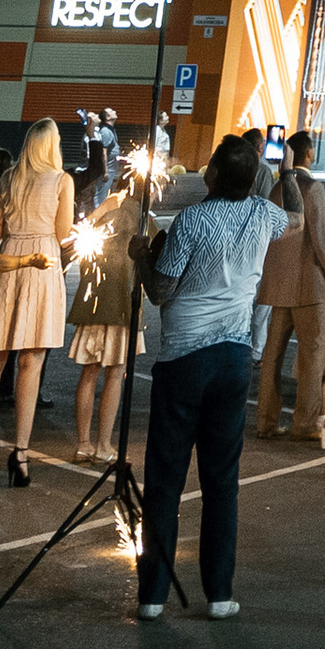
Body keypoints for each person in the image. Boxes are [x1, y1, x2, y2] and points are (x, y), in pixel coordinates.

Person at [134, 128, 285, 619]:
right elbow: (298, 218)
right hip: (234, 356)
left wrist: (142, 257)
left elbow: (161, 291)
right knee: (222, 478)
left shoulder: (191, 221)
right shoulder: (264, 215)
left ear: (213, 173)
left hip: (184, 357)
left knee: (165, 477)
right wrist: (291, 172)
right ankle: (219, 592)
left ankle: (154, 594)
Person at [0, 115, 74, 484]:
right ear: (53, 145)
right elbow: (61, 234)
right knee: (31, 364)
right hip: (42, 267)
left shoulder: (8, 178)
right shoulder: (61, 180)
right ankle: (20, 456)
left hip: (8, 265)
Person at [256, 131, 325, 445]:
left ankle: (265, 420)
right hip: (307, 285)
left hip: (277, 284)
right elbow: (320, 237)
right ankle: (303, 422)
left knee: (272, 356)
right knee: (313, 354)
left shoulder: (278, 186)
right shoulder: (312, 187)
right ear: (310, 153)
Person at [67, 178, 139, 466]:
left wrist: (100, 210)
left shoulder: (105, 210)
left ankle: (83, 443)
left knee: (89, 371)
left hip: (93, 300)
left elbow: (76, 241)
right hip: (123, 302)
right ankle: (104, 444)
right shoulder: (142, 215)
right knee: (115, 372)